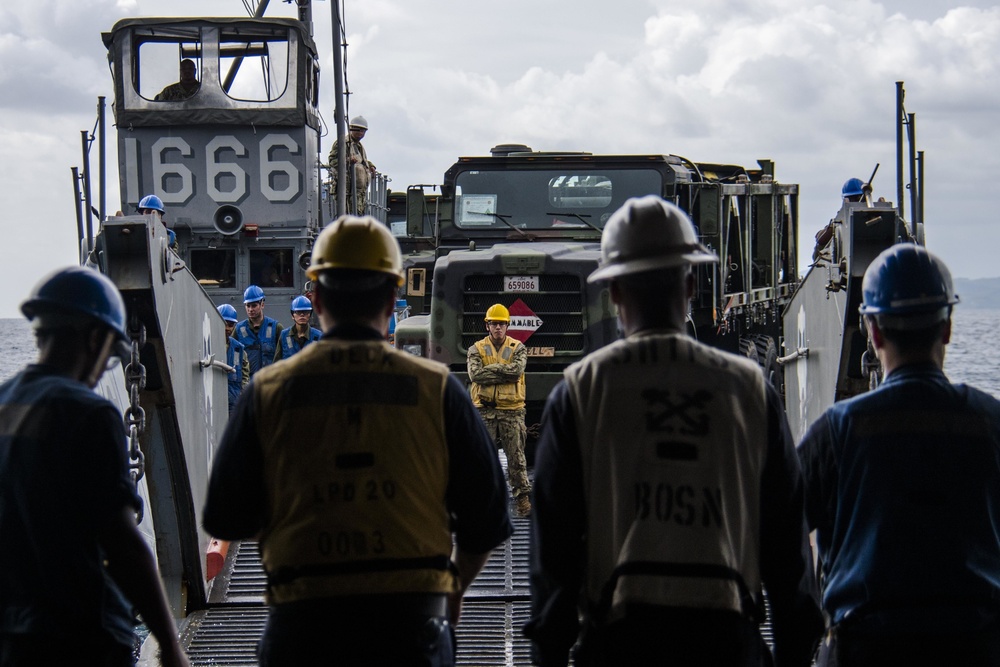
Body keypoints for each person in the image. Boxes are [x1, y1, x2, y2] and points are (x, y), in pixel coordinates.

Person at [524, 195, 823, 667]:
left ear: (615, 293)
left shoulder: (581, 392)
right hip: (726, 644)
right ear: (688, 283)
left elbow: (553, 565)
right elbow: (789, 556)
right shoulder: (749, 390)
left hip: (619, 645)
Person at [203, 215, 513, 666]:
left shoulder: (267, 394)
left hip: (302, 632)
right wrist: (451, 592)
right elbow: (487, 518)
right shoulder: (438, 390)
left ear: (318, 298)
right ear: (392, 298)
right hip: (412, 632)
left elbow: (226, 516)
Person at [798, 243, 1000, 666]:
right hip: (976, 646)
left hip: (864, 648)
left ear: (873, 333)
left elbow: (779, 530)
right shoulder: (990, 421)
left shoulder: (838, 430)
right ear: (946, 329)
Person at [0, 266, 189, 667]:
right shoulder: (87, 412)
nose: (107, 367)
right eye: (111, 353)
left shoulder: (4, 402)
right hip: (82, 635)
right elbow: (121, 542)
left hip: (15, 634)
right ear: (94, 337)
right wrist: (170, 646)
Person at [467, 303, 532, 518]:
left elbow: (516, 372)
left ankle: (523, 501)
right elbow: (476, 375)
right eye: (494, 324)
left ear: (507, 326)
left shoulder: (518, 348)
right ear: (488, 326)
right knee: (482, 459)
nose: (498, 328)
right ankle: (483, 501)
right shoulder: (475, 349)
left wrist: (491, 370)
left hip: (511, 411)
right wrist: (503, 372)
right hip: (484, 411)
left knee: (516, 458)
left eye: (502, 324)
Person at [328, 115, 376, 216]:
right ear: (351, 129)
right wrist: (347, 161)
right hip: (347, 191)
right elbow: (332, 161)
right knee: (348, 216)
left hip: (358, 192)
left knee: (357, 215)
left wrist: (370, 165)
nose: (361, 133)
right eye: (358, 130)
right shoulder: (342, 143)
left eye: (363, 131)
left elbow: (362, 161)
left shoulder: (358, 146)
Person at [234, 285, 282, 377]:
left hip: (270, 382)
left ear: (262, 304)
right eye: (248, 306)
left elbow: (285, 355)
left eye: (254, 305)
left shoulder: (276, 328)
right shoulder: (239, 329)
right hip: (247, 384)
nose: (250, 309)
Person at [217, 304, 250, 415]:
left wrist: (242, 393)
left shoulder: (238, 348)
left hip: (233, 402)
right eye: (224, 324)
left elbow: (245, 372)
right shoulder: (208, 345)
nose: (227, 328)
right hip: (213, 400)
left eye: (230, 325)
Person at [273, 295, 322, 362]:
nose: (302, 315)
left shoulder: (318, 336)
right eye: (298, 312)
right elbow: (276, 363)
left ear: (310, 314)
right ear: (293, 315)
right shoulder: (284, 335)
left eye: (305, 312)